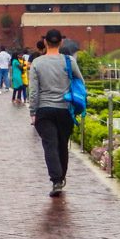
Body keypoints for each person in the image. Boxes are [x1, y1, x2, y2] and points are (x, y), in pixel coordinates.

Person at [29, 28, 83, 197]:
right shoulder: (69, 61)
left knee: (49, 144)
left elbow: (33, 91)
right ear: (61, 42)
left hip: (44, 110)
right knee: (62, 145)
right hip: (65, 109)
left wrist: (33, 111)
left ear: (45, 42)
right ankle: (61, 177)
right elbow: (80, 82)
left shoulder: (37, 63)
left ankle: (56, 180)